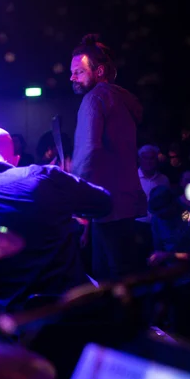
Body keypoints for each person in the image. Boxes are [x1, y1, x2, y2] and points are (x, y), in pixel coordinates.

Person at [0, 126, 112, 313]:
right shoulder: (48, 177)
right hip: (76, 311)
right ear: (15, 159)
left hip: (17, 326)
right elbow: (104, 203)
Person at [70, 33, 147, 280]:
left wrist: (77, 202)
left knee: (109, 283)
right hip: (126, 205)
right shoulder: (122, 100)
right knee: (127, 278)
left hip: (106, 209)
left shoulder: (94, 99)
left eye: (78, 72)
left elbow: (89, 152)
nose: (72, 77)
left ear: (100, 71)